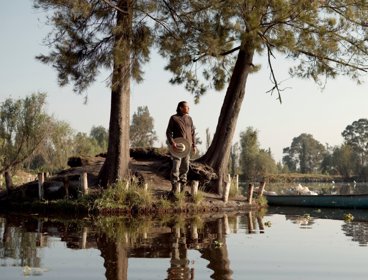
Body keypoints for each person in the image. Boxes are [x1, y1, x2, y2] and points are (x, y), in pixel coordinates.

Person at [166, 101, 196, 193]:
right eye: (187, 107)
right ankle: (174, 188)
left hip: (187, 147)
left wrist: (194, 145)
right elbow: (168, 132)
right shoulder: (174, 118)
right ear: (181, 108)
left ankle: (182, 189)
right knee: (176, 167)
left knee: (185, 167)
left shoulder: (190, 119)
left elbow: (193, 133)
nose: (189, 108)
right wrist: (172, 143)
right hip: (177, 147)